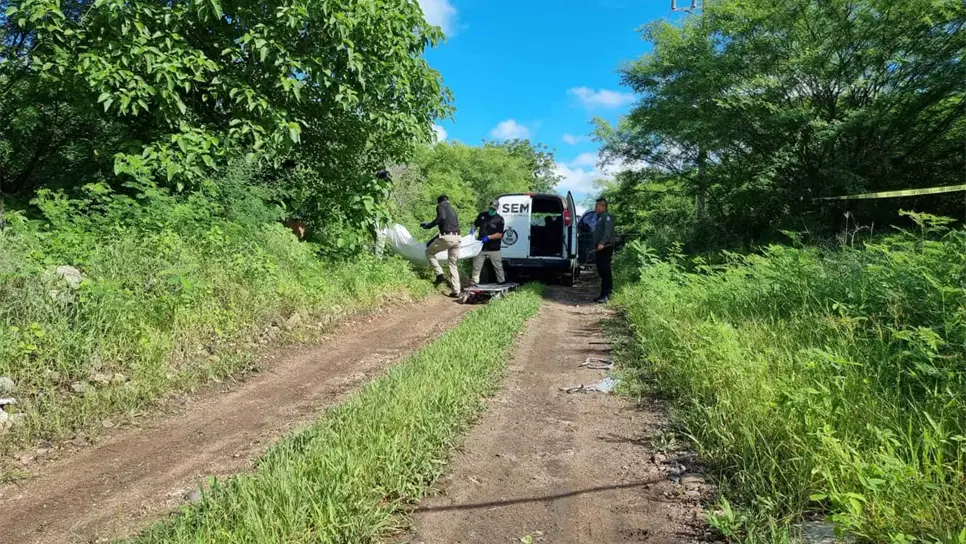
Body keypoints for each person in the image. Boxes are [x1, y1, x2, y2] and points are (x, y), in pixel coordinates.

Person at [421, 195, 461, 296]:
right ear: (448, 200)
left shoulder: (441, 206)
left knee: (429, 252)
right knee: (452, 263)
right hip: (457, 238)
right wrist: (433, 240)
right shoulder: (452, 210)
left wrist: (429, 225)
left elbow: (441, 218)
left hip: (447, 238)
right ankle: (456, 290)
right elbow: (448, 229)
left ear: (439, 202)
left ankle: (439, 274)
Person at [469, 200, 506, 286]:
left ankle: (501, 282)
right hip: (481, 246)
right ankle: (474, 282)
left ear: (496, 209)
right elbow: (475, 224)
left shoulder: (499, 219)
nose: (491, 210)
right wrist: (472, 229)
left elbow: (500, 234)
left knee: (498, 267)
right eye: (490, 208)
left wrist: (489, 237)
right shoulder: (482, 215)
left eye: (493, 209)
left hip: (494, 247)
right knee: (476, 266)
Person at [592, 197, 617, 303]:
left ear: (603, 206)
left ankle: (607, 295)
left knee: (605, 270)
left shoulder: (607, 217)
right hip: (600, 247)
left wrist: (602, 243)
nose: (595, 208)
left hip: (605, 247)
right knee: (601, 270)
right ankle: (602, 294)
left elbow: (607, 232)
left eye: (597, 206)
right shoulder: (600, 217)